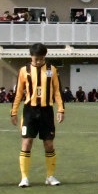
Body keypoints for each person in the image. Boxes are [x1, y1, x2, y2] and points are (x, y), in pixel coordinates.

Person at [11, 42, 65, 186]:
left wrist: (60, 109)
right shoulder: (24, 71)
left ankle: (50, 176)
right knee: (27, 142)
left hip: (47, 111)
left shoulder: (51, 70)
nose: (39, 61)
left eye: (42, 58)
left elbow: (57, 91)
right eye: (36, 59)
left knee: (48, 144)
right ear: (31, 57)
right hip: (30, 111)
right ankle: (24, 178)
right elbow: (19, 93)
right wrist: (14, 111)